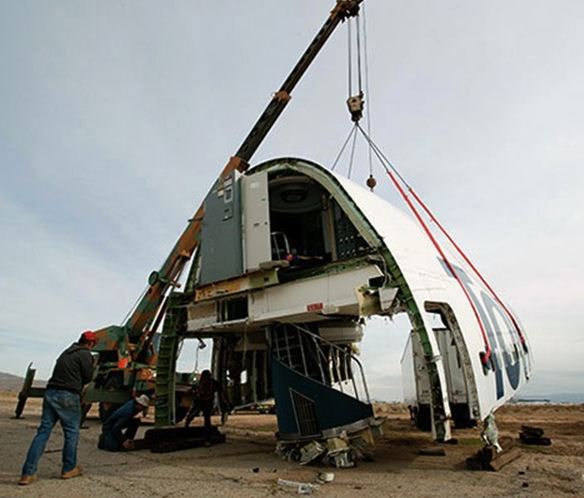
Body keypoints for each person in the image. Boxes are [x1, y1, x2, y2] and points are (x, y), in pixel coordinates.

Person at [19, 331, 96, 486]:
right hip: (68, 395)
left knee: (43, 432)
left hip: (51, 392)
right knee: (71, 432)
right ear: (90, 344)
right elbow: (88, 377)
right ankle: (69, 468)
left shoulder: (66, 352)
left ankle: (27, 473)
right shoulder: (85, 354)